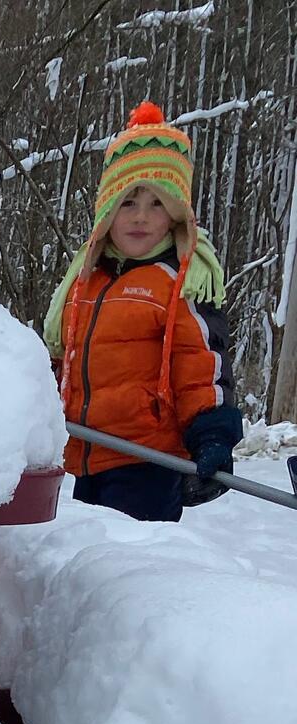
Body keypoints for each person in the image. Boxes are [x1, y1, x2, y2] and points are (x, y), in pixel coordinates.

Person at [44, 100, 242, 523]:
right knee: (85, 574)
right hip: (84, 458)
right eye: (129, 202)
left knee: (128, 571)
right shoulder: (86, 280)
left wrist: (213, 435)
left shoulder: (181, 281)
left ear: (174, 215)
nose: (141, 217)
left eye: (156, 204)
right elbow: (64, 359)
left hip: (147, 462)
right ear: (107, 210)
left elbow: (201, 364)